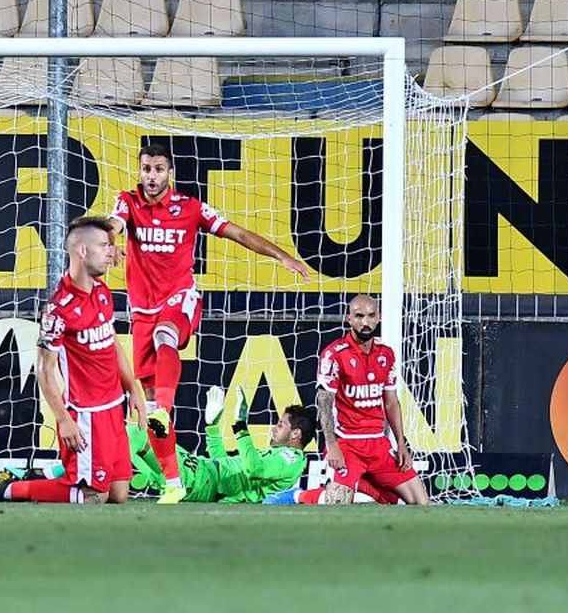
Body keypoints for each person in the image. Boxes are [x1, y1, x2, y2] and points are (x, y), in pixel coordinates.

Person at [109, 143, 311, 504]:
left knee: (165, 338)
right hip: (141, 310)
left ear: (169, 173)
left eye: (158, 169)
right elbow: (113, 224)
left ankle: (164, 412)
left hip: (179, 299)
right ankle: (172, 482)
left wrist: (283, 256)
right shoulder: (128, 202)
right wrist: (108, 241)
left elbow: (238, 233)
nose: (151, 176)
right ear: (139, 172)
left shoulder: (190, 209)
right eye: (146, 169)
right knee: (146, 402)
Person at [0, 217, 147, 504]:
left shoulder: (102, 292)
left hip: (114, 406)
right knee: (93, 497)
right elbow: (44, 370)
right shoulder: (59, 309)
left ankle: (44, 475)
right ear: (82, 252)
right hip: (87, 414)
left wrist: (133, 389)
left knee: (119, 494)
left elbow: (112, 343)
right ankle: (12, 488)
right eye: (103, 246)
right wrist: (63, 419)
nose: (110, 252)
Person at [311, 294, 429, 506]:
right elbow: (324, 401)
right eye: (359, 316)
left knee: (421, 502)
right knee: (336, 501)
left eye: (370, 316)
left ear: (379, 317)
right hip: (348, 445)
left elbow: (391, 403)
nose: (365, 322)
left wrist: (401, 443)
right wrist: (332, 444)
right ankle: (304, 496)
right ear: (349, 319)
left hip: (379, 445)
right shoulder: (334, 355)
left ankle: (373, 490)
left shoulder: (386, 354)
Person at [134, 386, 310, 503]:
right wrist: (212, 426)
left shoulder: (290, 459)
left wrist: (241, 425)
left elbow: (255, 469)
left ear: (296, 433)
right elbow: (222, 463)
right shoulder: (276, 455)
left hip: (203, 481)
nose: (273, 429)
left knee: (136, 434)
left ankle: (112, 482)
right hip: (205, 471)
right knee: (141, 435)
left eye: (280, 425)